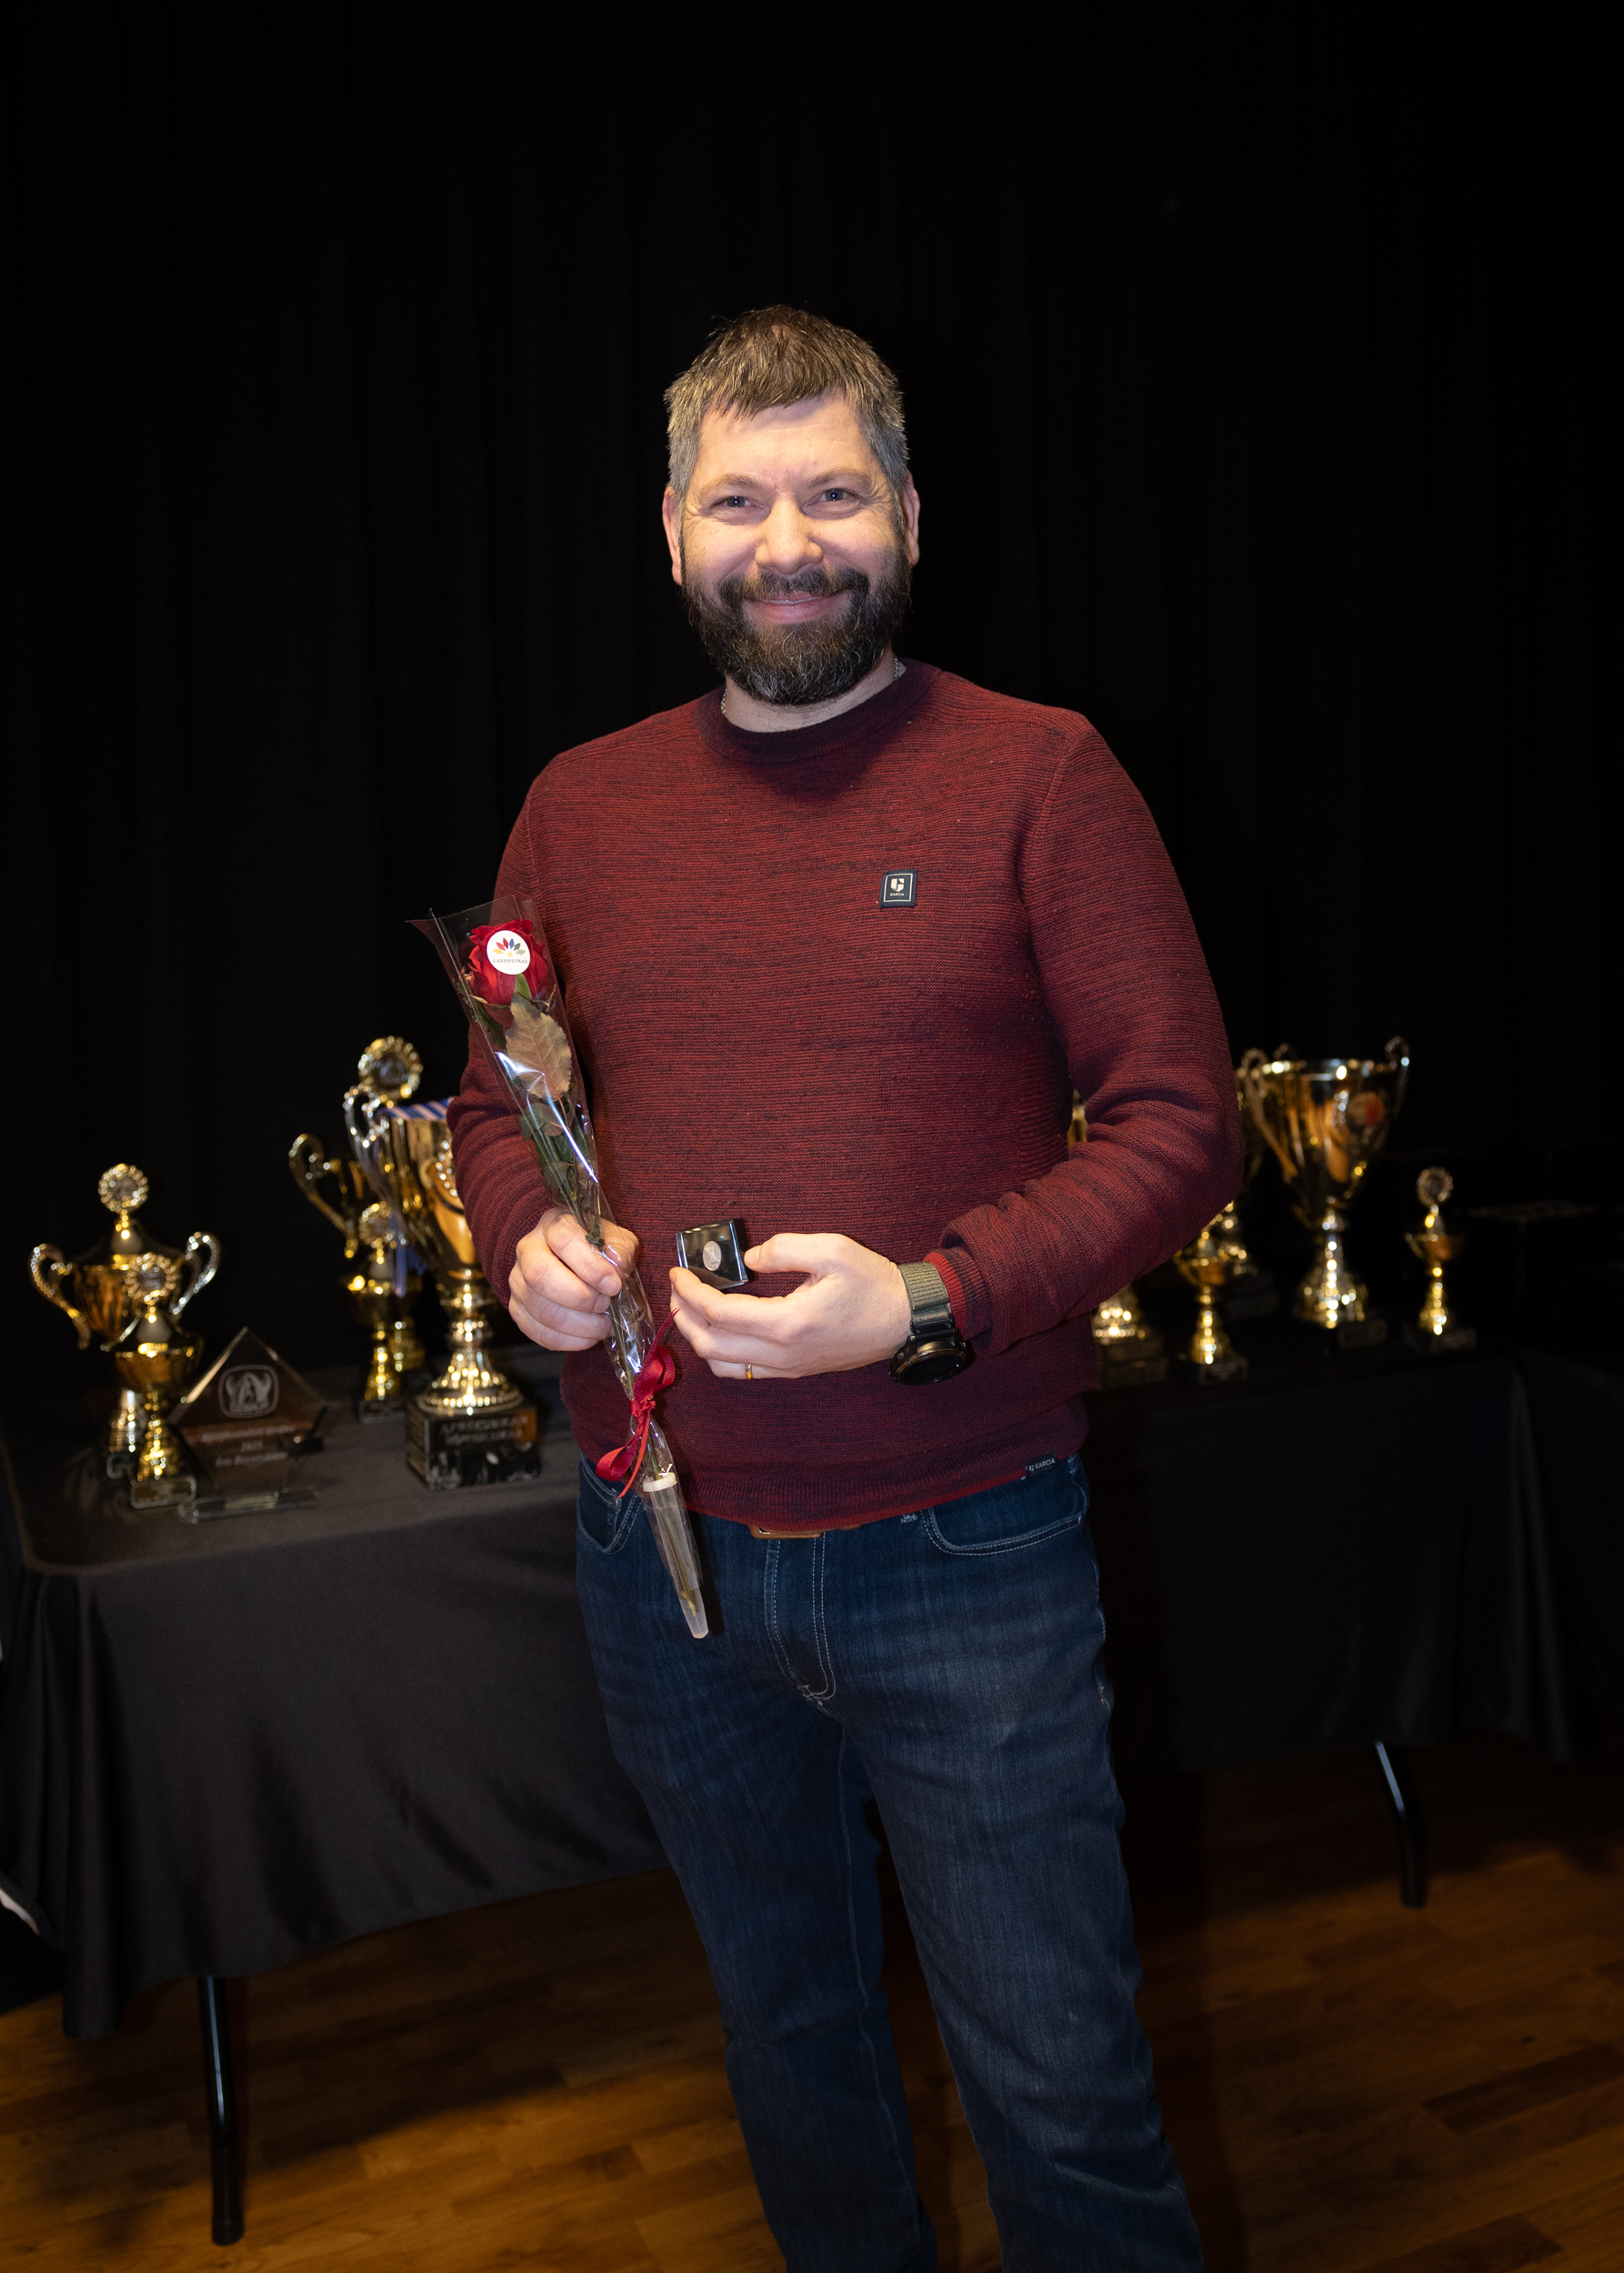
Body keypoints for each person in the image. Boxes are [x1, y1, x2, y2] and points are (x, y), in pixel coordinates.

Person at [449, 306, 1240, 2273]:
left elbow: (1179, 1124)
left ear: (908, 513)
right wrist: (524, 1242)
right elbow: (496, 1108)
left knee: (1057, 2089)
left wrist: (927, 1301)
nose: (786, 543)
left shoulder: (1041, 774)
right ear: (669, 530)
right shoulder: (576, 804)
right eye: (738, 501)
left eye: (831, 494)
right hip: (662, 1556)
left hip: (967, 1549)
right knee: (792, 2052)